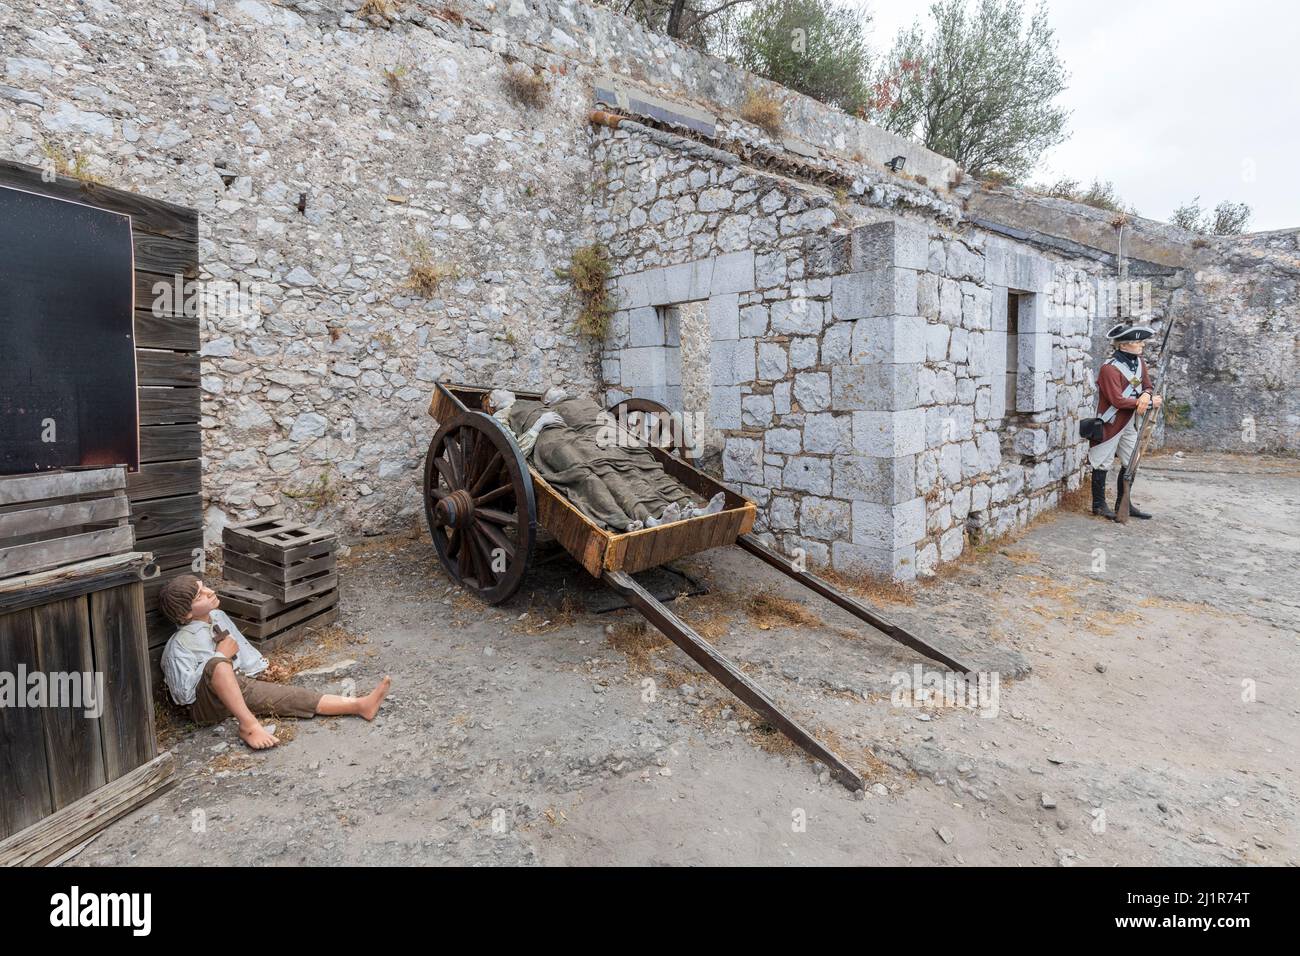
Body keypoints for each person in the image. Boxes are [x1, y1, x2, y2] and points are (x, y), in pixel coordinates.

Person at [158, 575, 391, 749]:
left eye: (204, 586)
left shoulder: (218, 617)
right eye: (199, 595)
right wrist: (219, 657)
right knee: (218, 666)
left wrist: (261, 668)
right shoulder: (179, 645)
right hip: (205, 707)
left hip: (236, 686)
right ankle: (248, 726)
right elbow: (183, 695)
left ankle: (359, 705)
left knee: (289, 697)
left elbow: (241, 645)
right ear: (185, 615)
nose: (209, 591)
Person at [485, 388, 724, 532]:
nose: (504, 390)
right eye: (498, 391)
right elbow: (511, 447)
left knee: (642, 467)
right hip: (550, 444)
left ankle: (685, 509)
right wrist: (539, 424)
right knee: (596, 474)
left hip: (578, 439)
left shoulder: (558, 404)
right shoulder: (499, 417)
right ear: (493, 402)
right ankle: (642, 518)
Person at [1088, 323, 1163, 520]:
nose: (1142, 345)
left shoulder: (1139, 363)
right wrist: (1147, 404)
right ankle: (1098, 505)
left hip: (1130, 421)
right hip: (1111, 422)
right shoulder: (1109, 369)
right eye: (1137, 342)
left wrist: (1146, 396)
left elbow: (1147, 386)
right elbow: (1117, 400)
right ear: (1123, 346)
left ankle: (1124, 503)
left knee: (1132, 461)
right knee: (1101, 462)